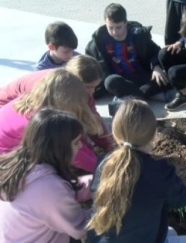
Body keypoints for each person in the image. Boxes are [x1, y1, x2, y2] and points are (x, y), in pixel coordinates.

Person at [86, 100, 186, 243]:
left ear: (115, 133)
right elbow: (182, 199)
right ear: (154, 134)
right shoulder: (160, 172)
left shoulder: (103, 164)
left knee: (169, 231)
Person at [0, 108, 92, 243]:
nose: (80, 147)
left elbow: (38, 202)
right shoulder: (49, 188)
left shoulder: (14, 164)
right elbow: (80, 228)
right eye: (76, 142)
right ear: (59, 147)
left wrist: (76, 188)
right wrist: (103, 204)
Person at [0, 55, 112, 153]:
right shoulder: (46, 90)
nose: (92, 92)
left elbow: (92, 117)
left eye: (95, 87)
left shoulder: (75, 89)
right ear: (74, 81)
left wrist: (108, 146)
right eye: (89, 87)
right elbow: (66, 132)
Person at [0, 69, 104, 173]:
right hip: (6, 161)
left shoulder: (30, 99)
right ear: (69, 100)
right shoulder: (46, 122)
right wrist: (103, 168)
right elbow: (76, 155)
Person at [86, 3, 171, 100]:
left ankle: (133, 97)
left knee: (167, 78)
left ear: (125, 23)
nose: (114, 32)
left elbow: (155, 51)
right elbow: (89, 63)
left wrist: (156, 67)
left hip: (142, 75)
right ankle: (146, 94)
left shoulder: (138, 35)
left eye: (118, 27)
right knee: (110, 82)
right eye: (110, 27)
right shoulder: (98, 42)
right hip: (120, 80)